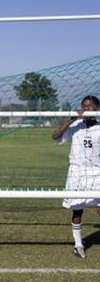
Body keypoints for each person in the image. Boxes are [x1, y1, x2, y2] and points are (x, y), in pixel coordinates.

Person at [52, 95, 100, 259]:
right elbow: (55, 136)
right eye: (84, 106)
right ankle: (78, 244)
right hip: (77, 172)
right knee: (77, 209)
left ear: (97, 109)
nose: (86, 109)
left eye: (90, 106)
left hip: (96, 172)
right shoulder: (76, 126)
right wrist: (72, 119)